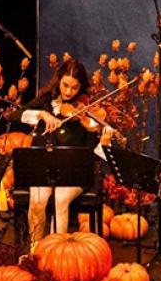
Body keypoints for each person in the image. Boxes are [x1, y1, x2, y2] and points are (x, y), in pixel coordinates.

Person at [8, 59, 106, 242]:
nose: (69, 92)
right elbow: (14, 115)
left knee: (61, 197)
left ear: (81, 87)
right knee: (38, 199)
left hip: (74, 172)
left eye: (74, 88)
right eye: (65, 85)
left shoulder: (85, 109)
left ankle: (56, 250)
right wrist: (42, 114)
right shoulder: (46, 101)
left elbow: (94, 154)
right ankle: (35, 248)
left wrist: (98, 132)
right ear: (59, 80)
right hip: (45, 168)